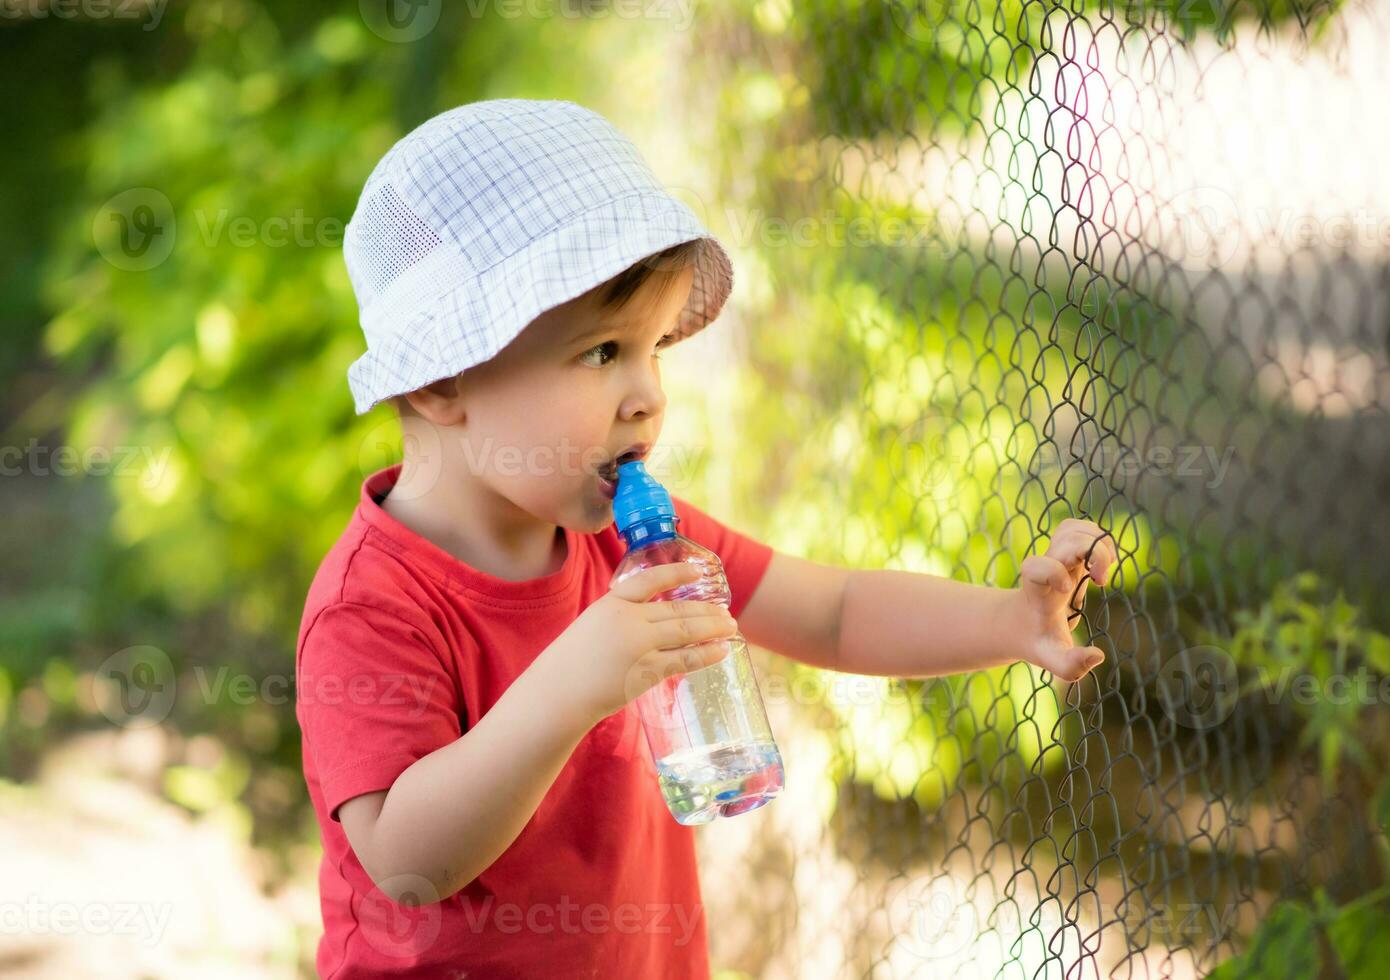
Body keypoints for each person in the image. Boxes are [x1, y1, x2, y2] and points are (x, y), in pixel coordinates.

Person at [295, 98, 1116, 978]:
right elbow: (407, 863)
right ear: (444, 376)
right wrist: (573, 682)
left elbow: (834, 613)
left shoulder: (640, 543)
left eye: (655, 349)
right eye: (603, 352)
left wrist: (1009, 623)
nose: (648, 393)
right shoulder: (373, 606)